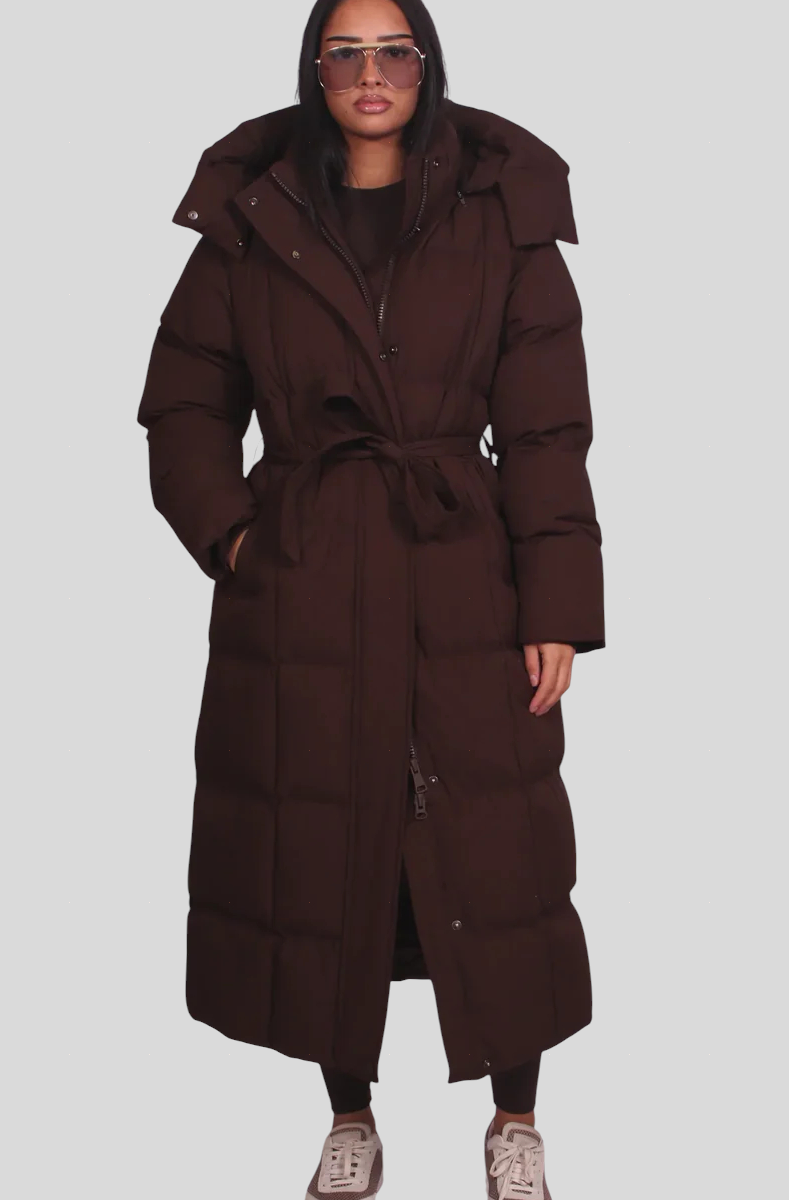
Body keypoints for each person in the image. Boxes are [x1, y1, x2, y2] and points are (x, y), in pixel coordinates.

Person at [136, 0, 604, 1195]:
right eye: (342, 53)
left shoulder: (501, 210)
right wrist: (236, 538)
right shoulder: (254, 218)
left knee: (493, 848)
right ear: (313, 72)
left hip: (463, 573)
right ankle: (349, 1116)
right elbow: (185, 402)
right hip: (304, 573)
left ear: (426, 63)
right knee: (318, 842)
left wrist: (554, 603)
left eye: (391, 49)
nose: (368, 72)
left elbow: (545, 429)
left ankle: (514, 1119)